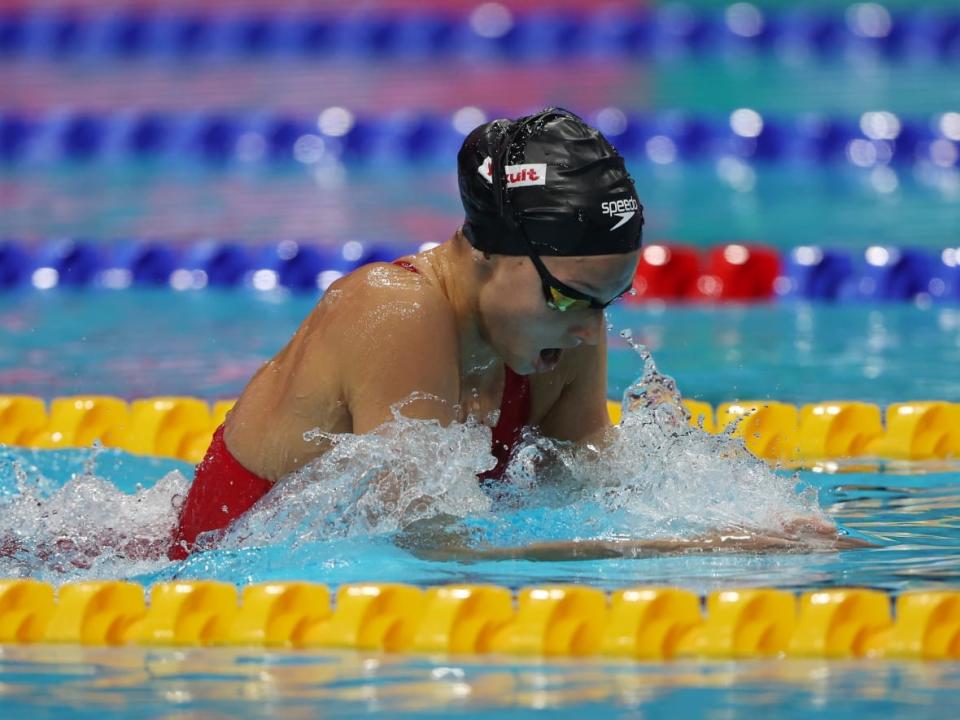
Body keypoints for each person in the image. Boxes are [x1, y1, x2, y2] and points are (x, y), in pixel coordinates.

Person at [168, 108, 859, 561]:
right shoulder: (394, 310)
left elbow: (597, 493)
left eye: (610, 300)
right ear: (487, 252)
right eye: (569, 297)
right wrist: (697, 548)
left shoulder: (554, 339)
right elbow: (422, 547)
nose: (592, 332)